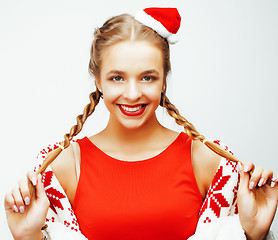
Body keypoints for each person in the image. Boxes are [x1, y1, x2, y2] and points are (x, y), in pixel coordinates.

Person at [4, 7, 278, 240]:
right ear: (97, 79)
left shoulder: (209, 161)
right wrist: (29, 237)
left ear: (163, 79)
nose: (133, 94)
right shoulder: (61, 168)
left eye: (147, 77)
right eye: (117, 78)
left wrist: (254, 233)